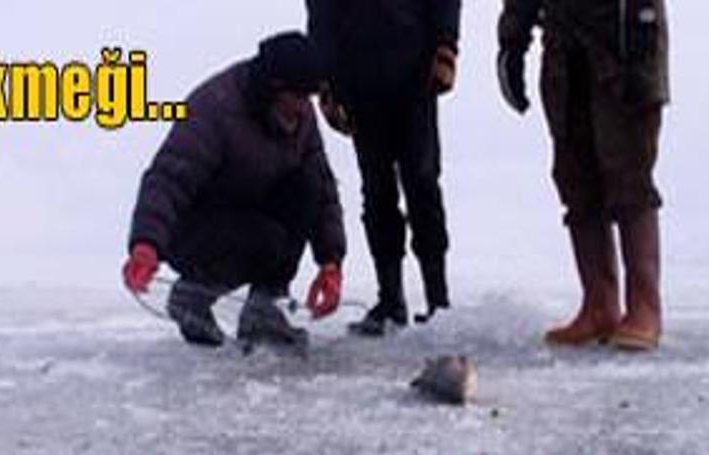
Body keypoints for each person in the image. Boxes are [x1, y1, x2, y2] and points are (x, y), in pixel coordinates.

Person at [122, 32, 346, 350]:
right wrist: (146, 243)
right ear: (273, 88)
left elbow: (322, 189)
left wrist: (331, 260)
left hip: (250, 213)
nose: (304, 108)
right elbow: (168, 179)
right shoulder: (215, 108)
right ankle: (193, 295)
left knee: (307, 185)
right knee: (265, 238)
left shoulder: (301, 117)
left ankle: (264, 308)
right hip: (194, 230)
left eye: (308, 97)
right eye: (297, 97)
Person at [498, 0, 669, 351]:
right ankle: (599, 305)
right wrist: (513, 40)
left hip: (623, 37)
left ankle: (644, 307)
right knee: (575, 176)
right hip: (564, 44)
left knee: (629, 169)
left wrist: (642, 21)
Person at [306, 0, 463, 336]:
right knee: (378, 192)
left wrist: (446, 45)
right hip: (359, 84)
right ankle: (391, 300)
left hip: (415, 78)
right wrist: (325, 80)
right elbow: (321, 13)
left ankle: (437, 300)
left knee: (422, 186)